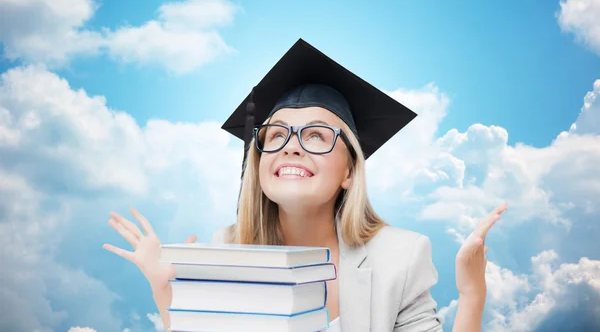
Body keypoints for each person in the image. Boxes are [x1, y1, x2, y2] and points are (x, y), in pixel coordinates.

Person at [103, 39, 507, 332]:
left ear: (350, 170)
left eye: (316, 136)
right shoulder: (227, 249)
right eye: (276, 135)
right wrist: (165, 289)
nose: (291, 148)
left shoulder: (399, 257)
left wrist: (472, 295)